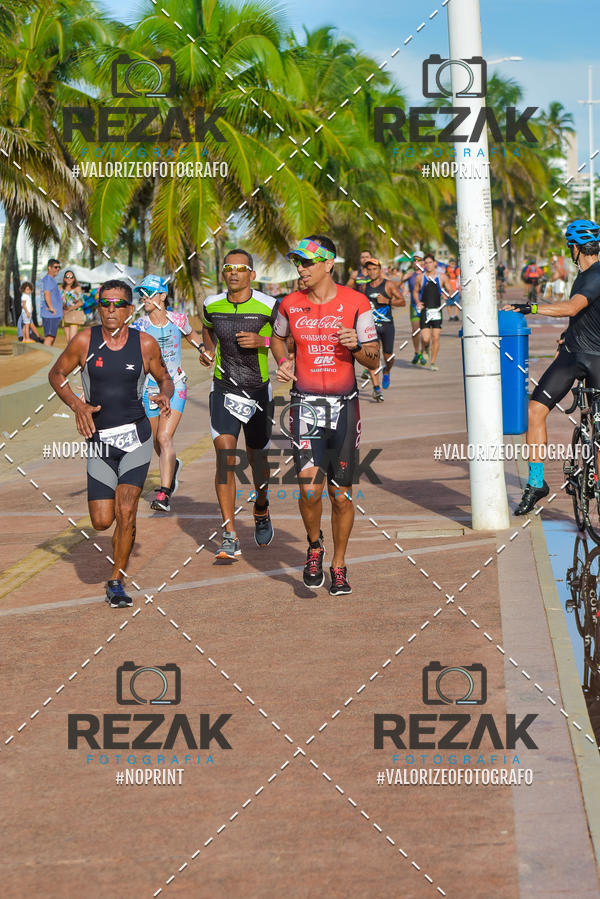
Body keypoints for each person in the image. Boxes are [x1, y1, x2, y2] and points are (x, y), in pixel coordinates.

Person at [48, 279, 173, 607]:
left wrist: (165, 395)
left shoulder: (144, 344)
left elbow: (165, 377)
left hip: (137, 438)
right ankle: (124, 532)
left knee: (127, 508)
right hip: (99, 443)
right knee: (103, 521)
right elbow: (56, 374)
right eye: (105, 303)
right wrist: (78, 405)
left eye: (118, 304)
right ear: (98, 306)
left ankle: (116, 580)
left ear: (130, 310)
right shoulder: (84, 341)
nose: (111, 309)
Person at [271, 234, 379, 596]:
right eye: (297, 262)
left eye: (306, 261)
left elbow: (374, 358)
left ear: (329, 263)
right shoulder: (288, 303)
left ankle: (339, 564)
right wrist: (283, 362)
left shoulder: (356, 302)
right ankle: (314, 547)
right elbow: (277, 338)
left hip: (345, 407)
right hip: (305, 406)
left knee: (342, 495)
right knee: (308, 490)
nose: (300, 268)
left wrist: (358, 347)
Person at [504, 220, 600, 514]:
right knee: (536, 410)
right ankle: (536, 484)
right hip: (571, 355)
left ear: (574, 248)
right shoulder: (584, 275)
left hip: (596, 358)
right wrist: (567, 335)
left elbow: (572, 307)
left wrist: (530, 308)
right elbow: (583, 315)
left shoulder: (596, 274)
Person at [200, 249, 278, 560]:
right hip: (224, 390)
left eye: (241, 268)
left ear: (251, 275)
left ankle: (261, 505)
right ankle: (229, 534)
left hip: (258, 392)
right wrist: (207, 350)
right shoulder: (211, 304)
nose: (234, 273)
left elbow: (290, 338)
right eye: (228, 268)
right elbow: (208, 328)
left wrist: (264, 342)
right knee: (225, 459)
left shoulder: (269, 306)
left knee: (257, 460)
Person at [131, 275, 204, 512]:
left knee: (164, 438)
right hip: (148, 389)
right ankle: (173, 465)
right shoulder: (139, 326)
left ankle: (164, 493)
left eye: (150, 293)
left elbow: (193, 337)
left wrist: (204, 351)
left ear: (163, 295)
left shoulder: (178, 319)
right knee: (156, 441)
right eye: (142, 293)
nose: (145, 297)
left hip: (176, 386)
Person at [360, 257, 405, 400]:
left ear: (380, 270)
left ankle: (387, 371)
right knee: (373, 357)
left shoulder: (389, 285)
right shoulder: (364, 287)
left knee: (388, 356)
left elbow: (402, 301)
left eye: (375, 269)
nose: (372, 272)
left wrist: (387, 301)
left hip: (387, 326)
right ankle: (376, 388)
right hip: (370, 328)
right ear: (366, 271)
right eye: (369, 269)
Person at [412, 252, 452, 371]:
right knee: (425, 338)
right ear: (423, 265)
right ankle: (425, 349)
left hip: (437, 311)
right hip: (425, 311)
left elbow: (450, 289)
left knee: (436, 337)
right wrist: (417, 301)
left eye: (430, 262)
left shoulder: (442, 277)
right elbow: (415, 291)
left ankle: (433, 362)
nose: (428, 265)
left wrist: (447, 295)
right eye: (426, 263)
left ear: (435, 263)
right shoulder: (420, 277)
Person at [401, 253, 424, 363]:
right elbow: (404, 290)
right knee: (415, 331)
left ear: (423, 262)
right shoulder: (410, 275)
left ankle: (424, 352)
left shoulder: (427, 274)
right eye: (414, 260)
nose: (416, 262)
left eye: (418, 260)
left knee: (425, 332)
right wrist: (402, 279)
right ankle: (417, 352)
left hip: (426, 307)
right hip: (414, 306)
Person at [41, 258, 62, 345]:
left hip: (53, 315)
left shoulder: (51, 280)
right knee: (50, 337)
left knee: (52, 337)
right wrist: (51, 307)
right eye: (55, 267)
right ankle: (44, 357)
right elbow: (46, 293)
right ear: (49, 268)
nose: (58, 269)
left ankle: (47, 358)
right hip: (50, 315)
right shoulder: (49, 279)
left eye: (58, 267)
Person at [61, 269, 84, 342]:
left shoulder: (77, 288)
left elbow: (81, 302)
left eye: (71, 277)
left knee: (72, 339)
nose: (69, 278)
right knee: (68, 339)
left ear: (74, 279)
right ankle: (71, 353)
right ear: (64, 278)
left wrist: (69, 309)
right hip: (65, 315)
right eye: (67, 276)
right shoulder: (62, 289)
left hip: (74, 314)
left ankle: (75, 353)